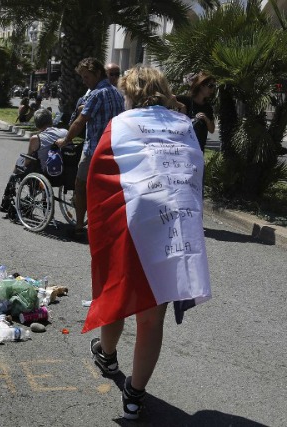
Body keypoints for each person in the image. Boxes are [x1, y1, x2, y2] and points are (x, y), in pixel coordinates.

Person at [83, 65, 211, 420]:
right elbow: (195, 170)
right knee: (152, 316)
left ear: (130, 93)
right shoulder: (183, 125)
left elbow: (99, 173)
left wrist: (98, 223)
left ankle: (107, 356)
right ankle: (135, 395)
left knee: (118, 292)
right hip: (177, 222)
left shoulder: (122, 123)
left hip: (134, 220)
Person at [56, 57, 124, 240]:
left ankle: (79, 227)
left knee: (80, 185)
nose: (84, 81)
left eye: (86, 77)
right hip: (115, 149)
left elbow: (80, 122)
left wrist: (66, 139)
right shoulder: (117, 94)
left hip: (94, 149)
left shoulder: (96, 94)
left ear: (97, 74)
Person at [176, 71, 216, 153]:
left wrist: (206, 119)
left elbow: (212, 130)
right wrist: (181, 106)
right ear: (201, 85)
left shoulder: (208, 107)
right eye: (210, 86)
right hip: (184, 147)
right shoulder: (185, 100)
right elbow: (167, 98)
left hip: (199, 149)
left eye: (214, 86)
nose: (212, 90)